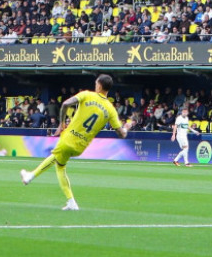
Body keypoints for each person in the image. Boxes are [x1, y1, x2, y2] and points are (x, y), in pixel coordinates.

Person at [20, 74, 130, 210]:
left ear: (100, 85)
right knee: (59, 162)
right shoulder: (111, 109)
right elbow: (121, 134)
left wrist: (61, 124)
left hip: (69, 138)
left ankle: (31, 177)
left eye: (96, 83)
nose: (95, 85)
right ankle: (69, 201)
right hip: (81, 146)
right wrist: (126, 127)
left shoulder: (87, 95)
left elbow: (66, 104)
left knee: (59, 165)